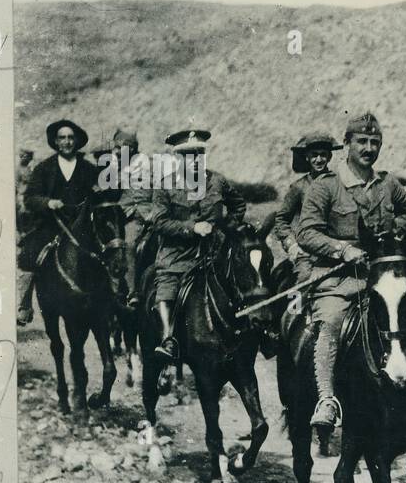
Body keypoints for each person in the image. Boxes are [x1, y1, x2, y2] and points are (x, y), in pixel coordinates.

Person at [296, 112, 406, 429]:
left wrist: (392, 234)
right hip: (338, 278)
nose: (369, 148)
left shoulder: (387, 184)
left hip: (382, 276)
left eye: (375, 142)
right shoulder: (325, 187)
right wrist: (343, 248)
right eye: (362, 141)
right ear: (346, 144)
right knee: (330, 322)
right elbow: (306, 233)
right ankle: (327, 399)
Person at [148, 128, 246, 362]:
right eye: (187, 155)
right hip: (177, 256)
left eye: (198, 155)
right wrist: (192, 227)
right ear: (177, 158)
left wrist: (226, 228)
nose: (194, 161)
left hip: (214, 253)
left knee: (244, 282)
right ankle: (168, 338)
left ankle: (258, 334)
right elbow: (159, 222)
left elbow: (238, 205)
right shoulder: (165, 186)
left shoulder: (218, 181)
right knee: (167, 289)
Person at [16, 119, 100, 325]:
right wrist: (48, 202)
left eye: (71, 138)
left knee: (108, 250)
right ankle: (25, 304)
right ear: (56, 141)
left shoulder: (89, 168)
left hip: (82, 225)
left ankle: (115, 296)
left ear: (77, 141)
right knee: (31, 251)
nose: (67, 142)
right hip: (52, 224)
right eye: (62, 138)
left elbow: (99, 195)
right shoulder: (44, 168)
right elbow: (30, 197)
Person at [273, 132, 340, 287]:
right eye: (314, 155)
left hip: (334, 247)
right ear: (307, 157)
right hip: (307, 252)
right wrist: (292, 245)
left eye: (323, 155)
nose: (319, 159)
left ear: (329, 157)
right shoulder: (299, 187)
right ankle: (295, 311)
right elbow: (281, 220)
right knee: (303, 279)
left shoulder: (339, 183)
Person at [109, 127, 153, 309]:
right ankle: (123, 289)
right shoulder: (113, 165)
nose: (118, 151)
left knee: (133, 245)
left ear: (133, 148)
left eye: (122, 147)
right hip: (122, 215)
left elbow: (157, 190)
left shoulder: (145, 163)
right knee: (119, 246)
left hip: (144, 213)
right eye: (116, 148)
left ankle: (136, 291)